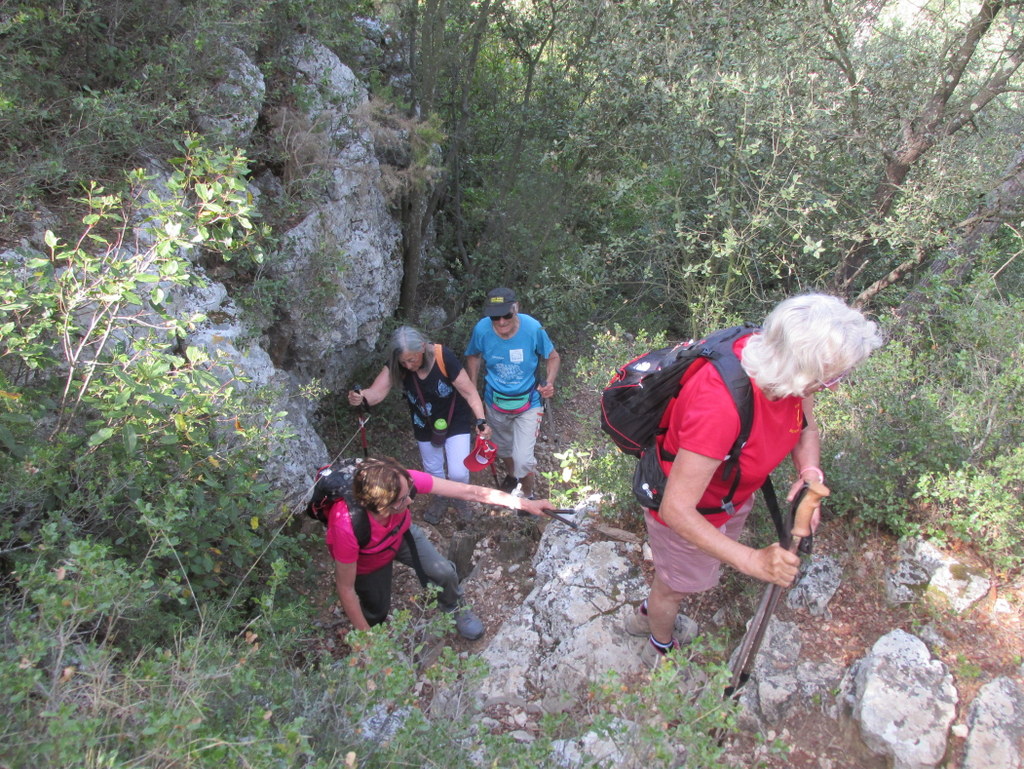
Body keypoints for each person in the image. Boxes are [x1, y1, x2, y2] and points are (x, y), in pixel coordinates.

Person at [625, 293, 882, 666]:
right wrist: (752, 561)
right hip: (690, 515)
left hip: (726, 499)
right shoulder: (719, 407)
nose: (836, 387)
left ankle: (650, 612)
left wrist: (809, 471)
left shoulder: (784, 367)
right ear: (800, 368)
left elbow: (806, 426)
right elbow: (677, 509)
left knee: (676, 580)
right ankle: (659, 644)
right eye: (831, 379)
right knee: (674, 587)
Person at [326, 456, 556, 639]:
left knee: (444, 572)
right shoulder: (347, 526)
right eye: (402, 500)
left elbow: (471, 492)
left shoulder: (403, 481)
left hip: (402, 534)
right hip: (369, 558)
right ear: (379, 505)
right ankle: (373, 638)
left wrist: (526, 504)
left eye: (409, 493)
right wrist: (368, 645)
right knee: (376, 608)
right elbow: (346, 589)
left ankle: (455, 610)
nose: (411, 502)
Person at [348, 326, 492, 523]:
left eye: (412, 359)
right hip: (424, 423)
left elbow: (469, 391)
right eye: (403, 361)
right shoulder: (396, 365)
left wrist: (480, 420)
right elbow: (376, 393)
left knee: (458, 470)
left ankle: (460, 497)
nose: (408, 365)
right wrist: (361, 396)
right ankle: (440, 497)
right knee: (433, 469)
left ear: (423, 348)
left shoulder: (443, 357)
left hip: (455, 418)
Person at [465, 287, 560, 499]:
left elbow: (552, 356)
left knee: (524, 458)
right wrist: (472, 388)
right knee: (504, 450)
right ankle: (511, 475)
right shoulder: (482, 330)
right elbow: (473, 355)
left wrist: (550, 382)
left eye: (506, 315)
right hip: (495, 402)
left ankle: (527, 496)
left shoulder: (533, 328)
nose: (500, 322)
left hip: (528, 402)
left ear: (515, 309)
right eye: (494, 317)